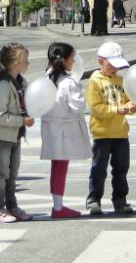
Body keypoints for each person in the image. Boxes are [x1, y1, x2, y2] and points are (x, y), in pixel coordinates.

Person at [85, 42, 136, 215]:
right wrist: (117, 109)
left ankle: (120, 200)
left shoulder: (121, 81)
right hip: (102, 133)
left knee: (121, 169)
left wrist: (132, 106)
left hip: (121, 133)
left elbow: (129, 100)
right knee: (99, 169)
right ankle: (94, 199)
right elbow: (96, 108)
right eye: (111, 64)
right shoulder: (94, 82)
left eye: (118, 65)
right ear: (101, 61)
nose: (115, 68)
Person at [41, 42, 91, 219]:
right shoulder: (68, 82)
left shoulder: (47, 78)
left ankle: (57, 203)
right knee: (61, 167)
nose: (73, 62)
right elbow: (78, 106)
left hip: (50, 128)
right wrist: (80, 91)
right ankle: (58, 206)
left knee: (55, 167)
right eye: (72, 58)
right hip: (65, 129)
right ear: (64, 60)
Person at [0, 43, 34, 223]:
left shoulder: (20, 82)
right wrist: (21, 120)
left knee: (12, 174)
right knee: (2, 174)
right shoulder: (3, 85)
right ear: (14, 63)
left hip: (15, 135)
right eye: (24, 60)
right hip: (3, 135)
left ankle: (12, 206)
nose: (27, 62)